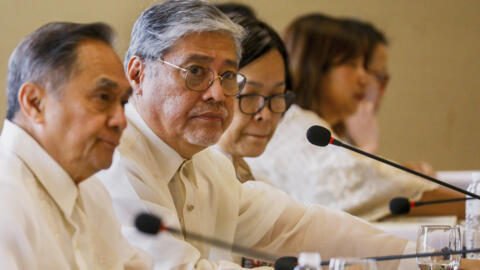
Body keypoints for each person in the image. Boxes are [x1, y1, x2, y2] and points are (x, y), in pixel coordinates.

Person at [97, 1, 421, 269]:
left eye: (227, 75)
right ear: (137, 74)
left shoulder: (208, 164)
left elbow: (296, 228)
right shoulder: (112, 157)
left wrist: (421, 261)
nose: (216, 93)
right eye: (196, 72)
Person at [248, 14, 465, 222]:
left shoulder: (316, 127)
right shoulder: (299, 125)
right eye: (352, 65)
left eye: (364, 66)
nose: (364, 78)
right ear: (317, 68)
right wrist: (467, 205)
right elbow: (351, 182)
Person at [0, 22, 151, 269]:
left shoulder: (92, 191)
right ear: (35, 103)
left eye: (123, 103)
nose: (120, 121)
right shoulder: (6, 201)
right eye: (103, 97)